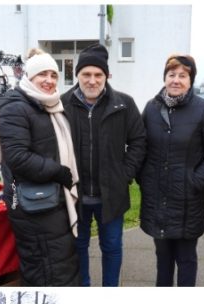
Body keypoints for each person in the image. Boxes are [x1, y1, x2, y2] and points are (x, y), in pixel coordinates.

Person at [139, 54, 204, 287]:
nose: (176, 80)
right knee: (162, 258)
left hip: (188, 200)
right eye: (171, 75)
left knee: (186, 258)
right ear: (164, 78)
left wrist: (196, 180)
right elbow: (140, 146)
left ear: (190, 80)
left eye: (182, 75)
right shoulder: (151, 108)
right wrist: (144, 179)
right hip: (158, 198)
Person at [62, 43, 146, 287]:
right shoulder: (61, 104)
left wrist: (124, 175)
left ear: (106, 76)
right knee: (78, 246)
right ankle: (84, 287)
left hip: (111, 195)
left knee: (111, 247)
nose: (92, 80)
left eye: (98, 74)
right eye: (86, 74)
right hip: (75, 195)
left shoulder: (124, 104)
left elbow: (139, 142)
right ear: (76, 75)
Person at [0, 48, 80, 286]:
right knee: (47, 271)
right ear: (29, 76)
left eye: (54, 75)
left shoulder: (48, 105)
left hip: (49, 201)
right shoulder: (14, 106)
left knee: (60, 265)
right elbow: (18, 158)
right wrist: (58, 172)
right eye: (43, 74)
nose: (49, 81)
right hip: (33, 206)